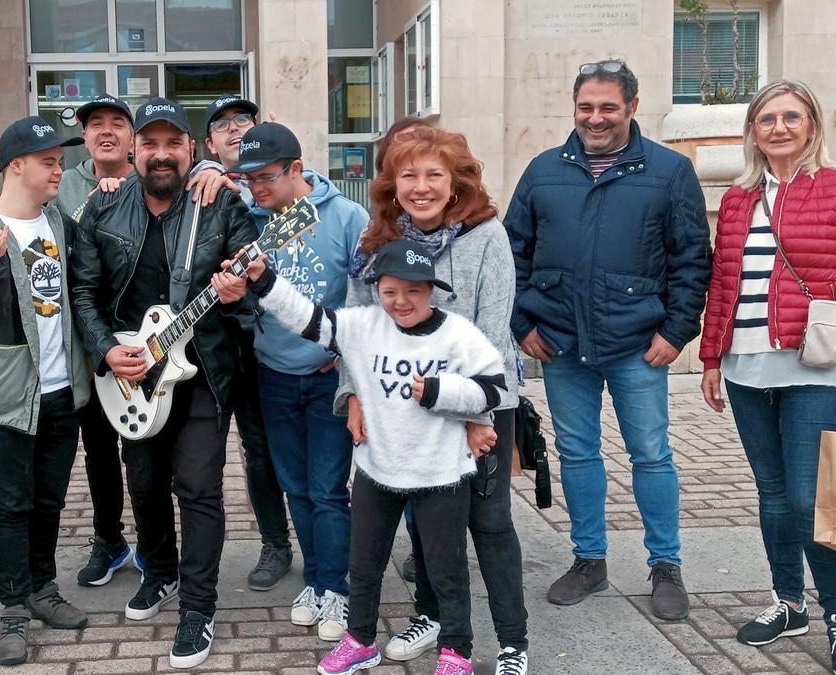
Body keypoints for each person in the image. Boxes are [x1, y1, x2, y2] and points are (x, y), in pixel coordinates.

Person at [213, 238, 505, 675]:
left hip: (440, 473)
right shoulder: (363, 326)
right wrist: (262, 279)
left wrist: (444, 391)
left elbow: (495, 388)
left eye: (413, 291)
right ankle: (361, 640)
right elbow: (307, 317)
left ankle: (456, 651)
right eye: (390, 291)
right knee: (364, 564)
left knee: (446, 569)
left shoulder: (458, 334)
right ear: (376, 289)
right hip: (377, 469)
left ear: (432, 289)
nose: (401, 302)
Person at [505, 59, 711, 620]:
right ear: (574, 108)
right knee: (577, 453)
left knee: (651, 454)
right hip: (562, 342)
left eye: (608, 108)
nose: (596, 118)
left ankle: (665, 565)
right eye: (586, 107)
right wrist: (522, 324)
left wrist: (677, 330)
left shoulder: (669, 171)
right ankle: (589, 560)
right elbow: (512, 254)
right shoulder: (543, 171)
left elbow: (693, 259)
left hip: (638, 343)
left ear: (632, 108)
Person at [70, 97, 257, 668]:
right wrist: (106, 350)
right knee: (145, 483)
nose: (160, 154)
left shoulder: (219, 204)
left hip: (201, 368)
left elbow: (250, 274)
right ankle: (161, 573)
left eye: (172, 143)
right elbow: (84, 293)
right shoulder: (101, 212)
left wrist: (239, 290)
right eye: (149, 143)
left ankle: (199, 608)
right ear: (134, 149)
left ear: (190, 150)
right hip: (134, 373)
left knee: (197, 487)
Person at [343, 122, 530, 673]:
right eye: (408, 175)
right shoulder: (374, 240)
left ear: (456, 183)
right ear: (391, 183)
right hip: (402, 406)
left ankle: (513, 643)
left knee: (490, 522)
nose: (420, 186)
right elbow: (357, 329)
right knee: (426, 521)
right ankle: (433, 617)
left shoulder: (486, 236)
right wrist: (353, 396)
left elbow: (495, 333)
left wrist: (478, 414)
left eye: (434, 175)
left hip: (479, 405)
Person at [699, 80, 836, 664]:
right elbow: (722, 281)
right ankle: (788, 602)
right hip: (745, 361)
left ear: (812, 125)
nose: (779, 127)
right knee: (774, 495)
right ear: (753, 131)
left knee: (812, 497)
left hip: (815, 365)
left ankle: (834, 609)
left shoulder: (832, 189)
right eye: (767, 119)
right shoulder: (737, 199)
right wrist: (710, 356)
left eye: (791, 117)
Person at [0, 115, 93, 665]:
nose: (60, 170)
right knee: (11, 506)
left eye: (61, 161)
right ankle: (13, 610)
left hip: (63, 393)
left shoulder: (60, 224)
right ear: (17, 166)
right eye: (49, 162)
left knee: (49, 501)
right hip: (7, 397)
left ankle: (43, 589)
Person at [226, 121, 365, 637]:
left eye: (266, 178)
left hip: (328, 375)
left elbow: (365, 294)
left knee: (329, 488)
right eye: (248, 179)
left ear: (297, 169)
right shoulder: (250, 221)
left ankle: (338, 590)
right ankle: (317, 577)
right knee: (296, 487)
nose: (257, 189)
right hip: (274, 373)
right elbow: (245, 298)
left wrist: (344, 350)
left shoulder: (347, 217)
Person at [200, 94, 295, 591]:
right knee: (211, 455)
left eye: (243, 120)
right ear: (209, 143)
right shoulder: (202, 189)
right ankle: (266, 541)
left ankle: (287, 542)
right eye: (222, 125)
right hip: (212, 346)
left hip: (268, 343)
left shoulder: (275, 189)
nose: (235, 129)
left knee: (265, 449)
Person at [52, 94, 141, 586]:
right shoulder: (63, 185)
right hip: (87, 341)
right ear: (84, 136)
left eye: (117, 123)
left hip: (147, 339)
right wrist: (95, 205)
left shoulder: (151, 177)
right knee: (100, 450)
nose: (106, 132)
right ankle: (109, 539)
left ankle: (154, 541)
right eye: (96, 125)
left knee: (146, 450)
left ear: (132, 136)